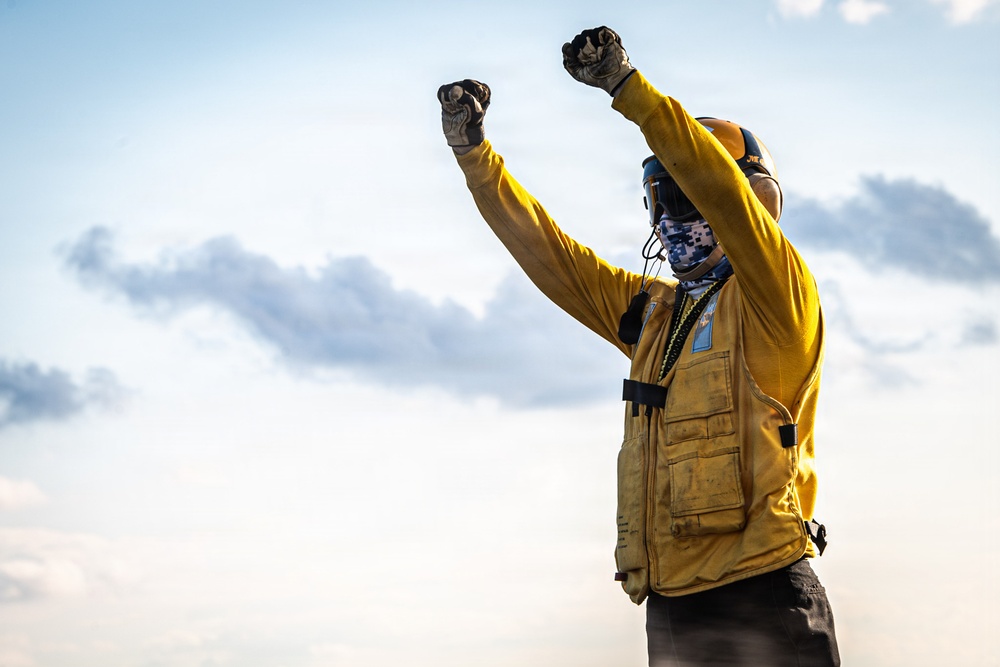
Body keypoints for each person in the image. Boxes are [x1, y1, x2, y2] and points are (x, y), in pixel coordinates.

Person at [438, 26, 840, 667]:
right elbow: (552, 255)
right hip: (673, 606)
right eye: (661, 198)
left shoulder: (776, 297)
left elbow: (722, 191)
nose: (673, 215)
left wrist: (627, 89)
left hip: (763, 589)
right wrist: (475, 158)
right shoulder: (653, 315)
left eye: (687, 193)